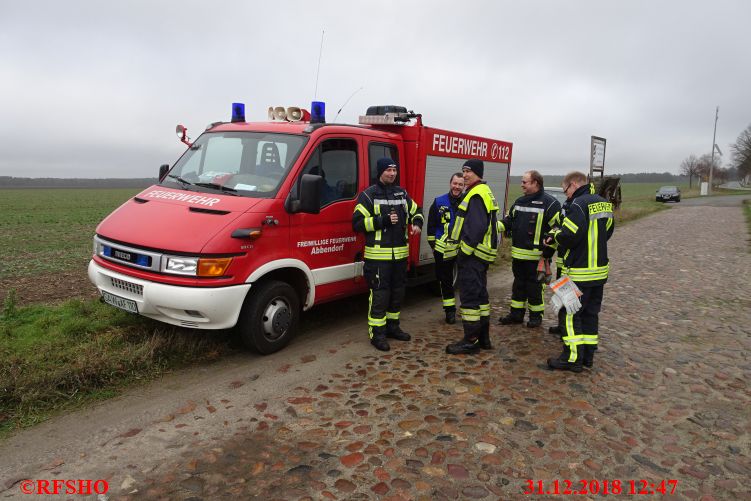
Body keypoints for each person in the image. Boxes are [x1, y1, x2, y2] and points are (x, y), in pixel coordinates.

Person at [544, 171, 614, 372]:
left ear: (573, 185)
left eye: (566, 190)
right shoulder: (603, 203)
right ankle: (587, 357)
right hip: (599, 271)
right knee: (591, 314)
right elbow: (608, 231)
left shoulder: (577, 205)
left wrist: (554, 235)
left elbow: (568, 236)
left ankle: (572, 358)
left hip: (580, 272)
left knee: (570, 314)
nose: (566, 194)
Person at [352, 158, 424, 351]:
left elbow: (417, 210)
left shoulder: (402, 193)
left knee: (397, 293)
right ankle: (377, 334)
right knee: (380, 295)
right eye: (388, 170)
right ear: (380, 172)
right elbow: (357, 223)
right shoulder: (368, 195)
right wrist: (382, 220)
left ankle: (393, 327)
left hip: (400, 257)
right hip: (378, 258)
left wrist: (417, 223)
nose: (392, 173)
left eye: (394, 170)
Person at [445, 159, 500, 355]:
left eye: (468, 172)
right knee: (481, 298)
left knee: (469, 299)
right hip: (481, 256)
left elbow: (476, 228)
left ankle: (470, 340)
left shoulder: (476, 194)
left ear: (477, 173)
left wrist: (463, 253)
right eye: (463, 171)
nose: (464, 175)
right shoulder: (484, 192)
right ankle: (483, 338)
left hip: (473, 256)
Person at [497, 170, 561, 328]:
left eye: (525, 182)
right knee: (518, 286)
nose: (521, 185)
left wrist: (548, 251)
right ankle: (516, 315)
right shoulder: (519, 202)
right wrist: (493, 227)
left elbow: (557, 228)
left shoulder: (550, 203)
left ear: (535, 183)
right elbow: (509, 221)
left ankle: (535, 316)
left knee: (534, 288)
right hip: (518, 255)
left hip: (537, 257)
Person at [426, 173, 465, 324]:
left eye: (460, 184)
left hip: (462, 250)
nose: (457, 187)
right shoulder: (438, 202)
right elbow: (431, 226)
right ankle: (450, 312)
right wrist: (434, 246)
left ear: (463, 186)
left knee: (465, 281)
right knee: (446, 282)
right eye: (455, 183)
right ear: (450, 183)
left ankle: (468, 310)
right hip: (443, 251)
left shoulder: (468, 202)